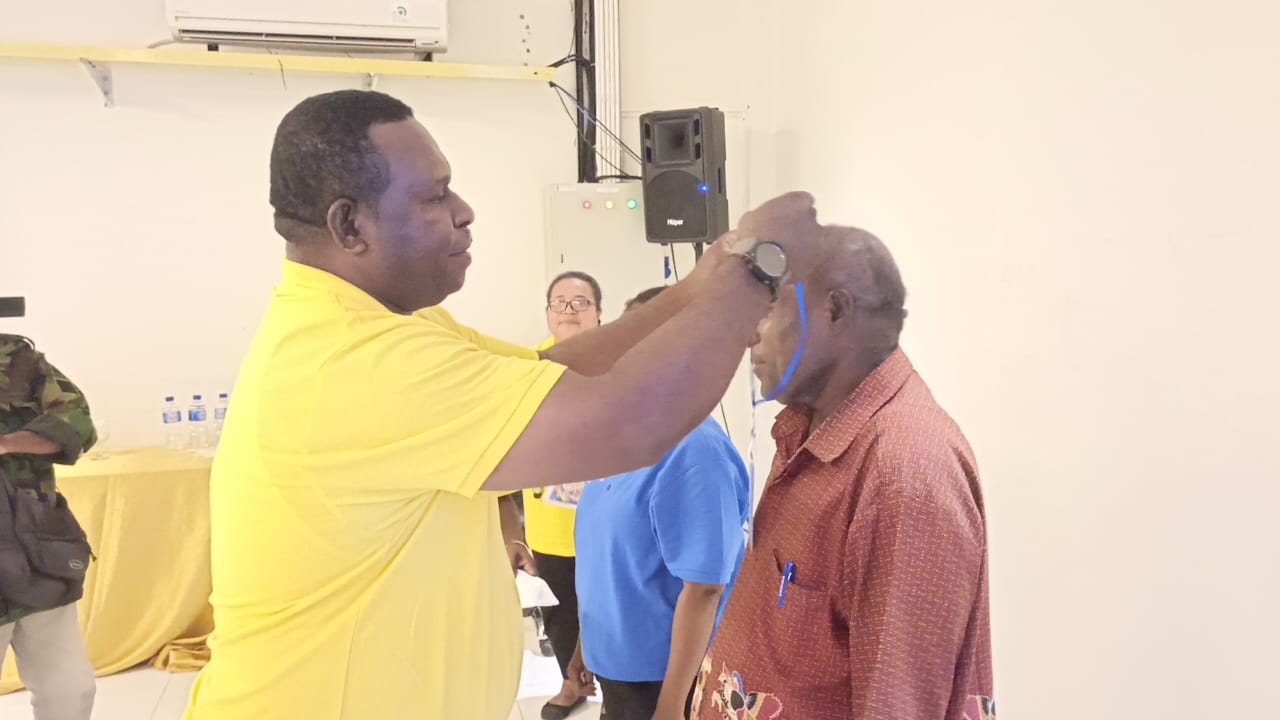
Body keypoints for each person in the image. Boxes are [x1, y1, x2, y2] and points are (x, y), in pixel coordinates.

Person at [182, 89, 820, 720]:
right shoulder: (355, 361)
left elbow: (552, 368)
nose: (463, 212)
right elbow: (631, 424)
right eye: (435, 196)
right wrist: (746, 288)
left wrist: (694, 290)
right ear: (349, 225)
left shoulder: (386, 323)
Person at [690, 226, 995, 720]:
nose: (748, 336)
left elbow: (898, 707)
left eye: (767, 311)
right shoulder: (807, 427)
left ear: (833, 312)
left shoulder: (904, 471)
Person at [565, 285, 751, 720]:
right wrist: (584, 646)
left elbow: (704, 588)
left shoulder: (695, 452)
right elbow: (606, 560)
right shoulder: (625, 438)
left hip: (663, 680)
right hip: (617, 667)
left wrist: (670, 705)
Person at [504, 270, 606, 720]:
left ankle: (619, 695)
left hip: (611, 519)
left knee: (613, 613)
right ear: (547, 312)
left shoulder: (623, 366)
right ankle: (571, 684)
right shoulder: (528, 369)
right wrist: (512, 531)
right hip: (552, 524)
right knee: (562, 613)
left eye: (580, 302)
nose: (569, 310)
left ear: (599, 313)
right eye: (559, 302)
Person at [0, 333, 98, 720]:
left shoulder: (16, 360)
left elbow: (78, 423)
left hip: (36, 551)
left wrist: (7, 442)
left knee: (70, 690)